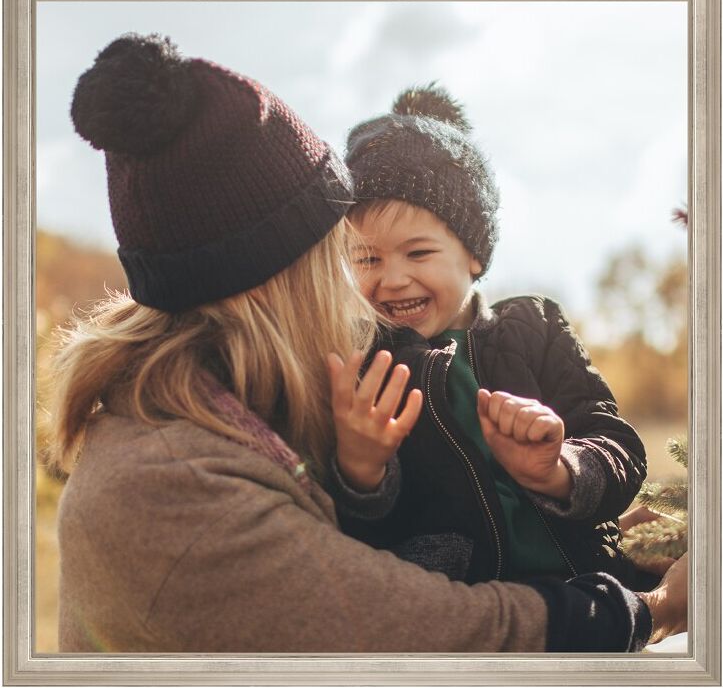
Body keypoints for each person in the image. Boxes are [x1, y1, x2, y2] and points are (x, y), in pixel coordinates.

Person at [51, 33, 684, 654]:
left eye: (418, 251)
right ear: (274, 276)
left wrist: (573, 481)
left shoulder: (243, 403)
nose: (376, 279)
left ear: (474, 255)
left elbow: (605, 436)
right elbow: (421, 627)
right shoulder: (179, 489)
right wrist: (652, 612)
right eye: (351, 251)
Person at [330, 84, 659, 591]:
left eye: (418, 254)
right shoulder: (364, 364)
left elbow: (618, 445)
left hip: (591, 586)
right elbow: (355, 535)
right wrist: (360, 467)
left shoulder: (535, 327)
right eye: (368, 259)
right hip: (464, 610)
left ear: (474, 255)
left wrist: (560, 468)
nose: (393, 279)